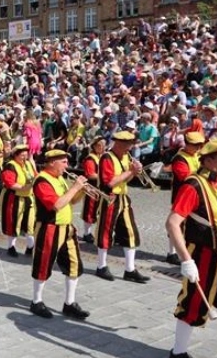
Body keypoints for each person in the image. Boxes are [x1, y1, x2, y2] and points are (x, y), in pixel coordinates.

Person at [166, 137, 217, 358]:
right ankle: (178, 352)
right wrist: (186, 260)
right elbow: (172, 223)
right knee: (192, 304)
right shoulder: (193, 185)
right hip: (202, 256)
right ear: (209, 160)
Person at [29, 149, 89, 320]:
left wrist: (81, 190)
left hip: (66, 227)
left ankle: (69, 303)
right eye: (63, 162)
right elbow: (55, 205)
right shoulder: (42, 180)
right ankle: (36, 301)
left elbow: (71, 201)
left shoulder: (59, 178)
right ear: (51, 162)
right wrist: (75, 186)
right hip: (49, 227)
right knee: (43, 264)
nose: (66, 165)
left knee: (74, 265)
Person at [94, 130, 149, 283]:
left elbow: (125, 179)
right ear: (118, 143)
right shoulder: (107, 157)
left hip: (123, 197)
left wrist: (134, 172)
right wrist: (130, 171)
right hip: (110, 198)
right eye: (127, 145)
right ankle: (101, 266)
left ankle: (130, 269)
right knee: (105, 231)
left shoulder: (126, 156)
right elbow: (109, 183)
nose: (129, 148)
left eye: (130, 144)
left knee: (131, 232)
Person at [165, 131, 205, 266]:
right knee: (177, 225)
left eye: (200, 145)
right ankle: (171, 253)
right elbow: (185, 177)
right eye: (195, 145)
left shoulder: (196, 154)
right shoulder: (179, 159)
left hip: (193, 196)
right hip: (181, 196)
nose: (198, 148)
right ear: (187, 144)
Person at [0, 144, 37, 257]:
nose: (24, 157)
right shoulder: (10, 166)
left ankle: (30, 247)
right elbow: (10, 183)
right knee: (14, 222)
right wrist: (24, 187)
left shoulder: (28, 164)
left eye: (26, 154)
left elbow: (36, 176)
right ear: (15, 155)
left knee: (30, 224)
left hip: (28, 197)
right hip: (13, 197)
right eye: (22, 155)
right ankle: (11, 247)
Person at [80, 136, 106, 244]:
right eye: (100, 145)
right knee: (90, 210)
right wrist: (105, 176)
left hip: (101, 188)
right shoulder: (90, 158)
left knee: (100, 211)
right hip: (92, 188)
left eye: (104, 145)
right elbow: (91, 175)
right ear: (94, 146)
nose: (102, 147)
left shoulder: (102, 157)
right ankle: (87, 233)